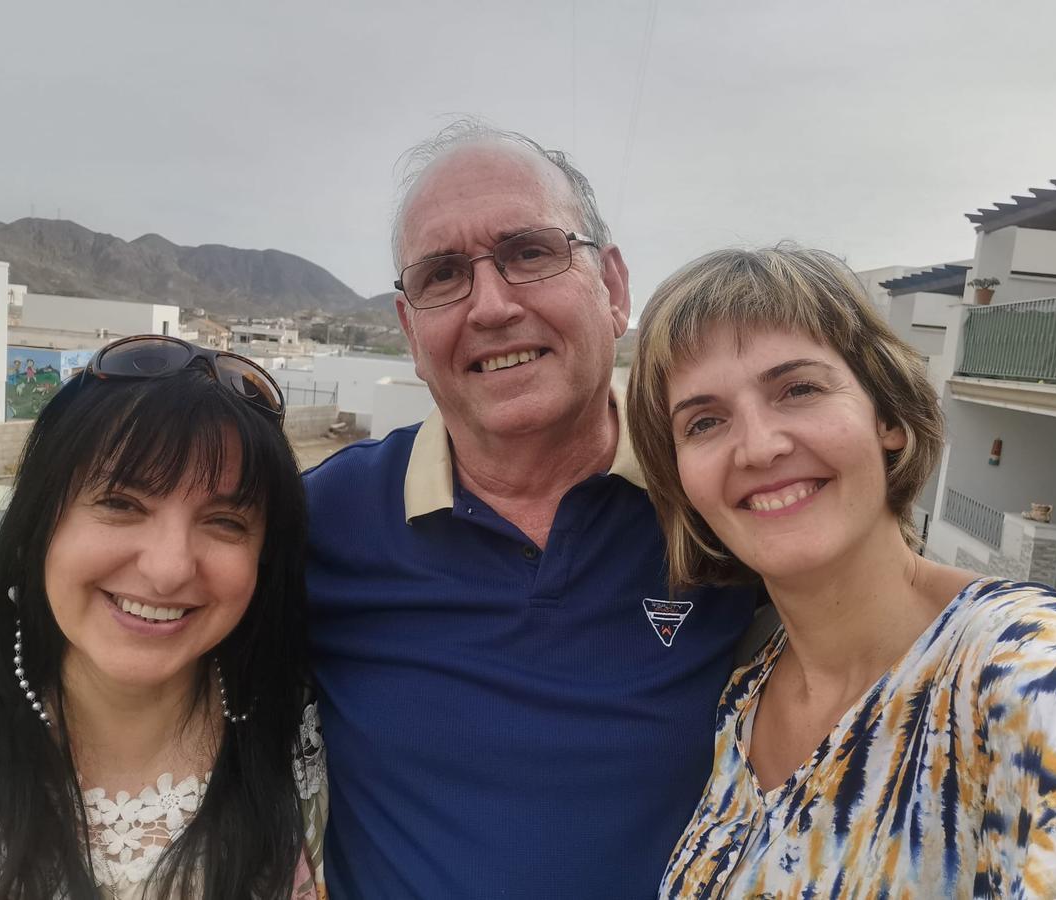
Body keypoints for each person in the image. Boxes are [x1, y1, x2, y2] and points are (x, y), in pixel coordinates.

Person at [303, 120, 756, 898]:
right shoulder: (324, 520)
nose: (490, 305)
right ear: (412, 332)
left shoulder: (717, 501)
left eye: (529, 252)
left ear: (613, 289)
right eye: (443, 274)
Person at [625, 245, 1056, 898]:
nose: (760, 445)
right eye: (705, 422)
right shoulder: (742, 693)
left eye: (797, 389)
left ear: (886, 417)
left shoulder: (1042, 674)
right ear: (682, 478)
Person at [0, 336, 327, 899]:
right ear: (41, 525)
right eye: (121, 504)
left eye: (226, 521)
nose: (167, 569)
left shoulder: (304, 742)